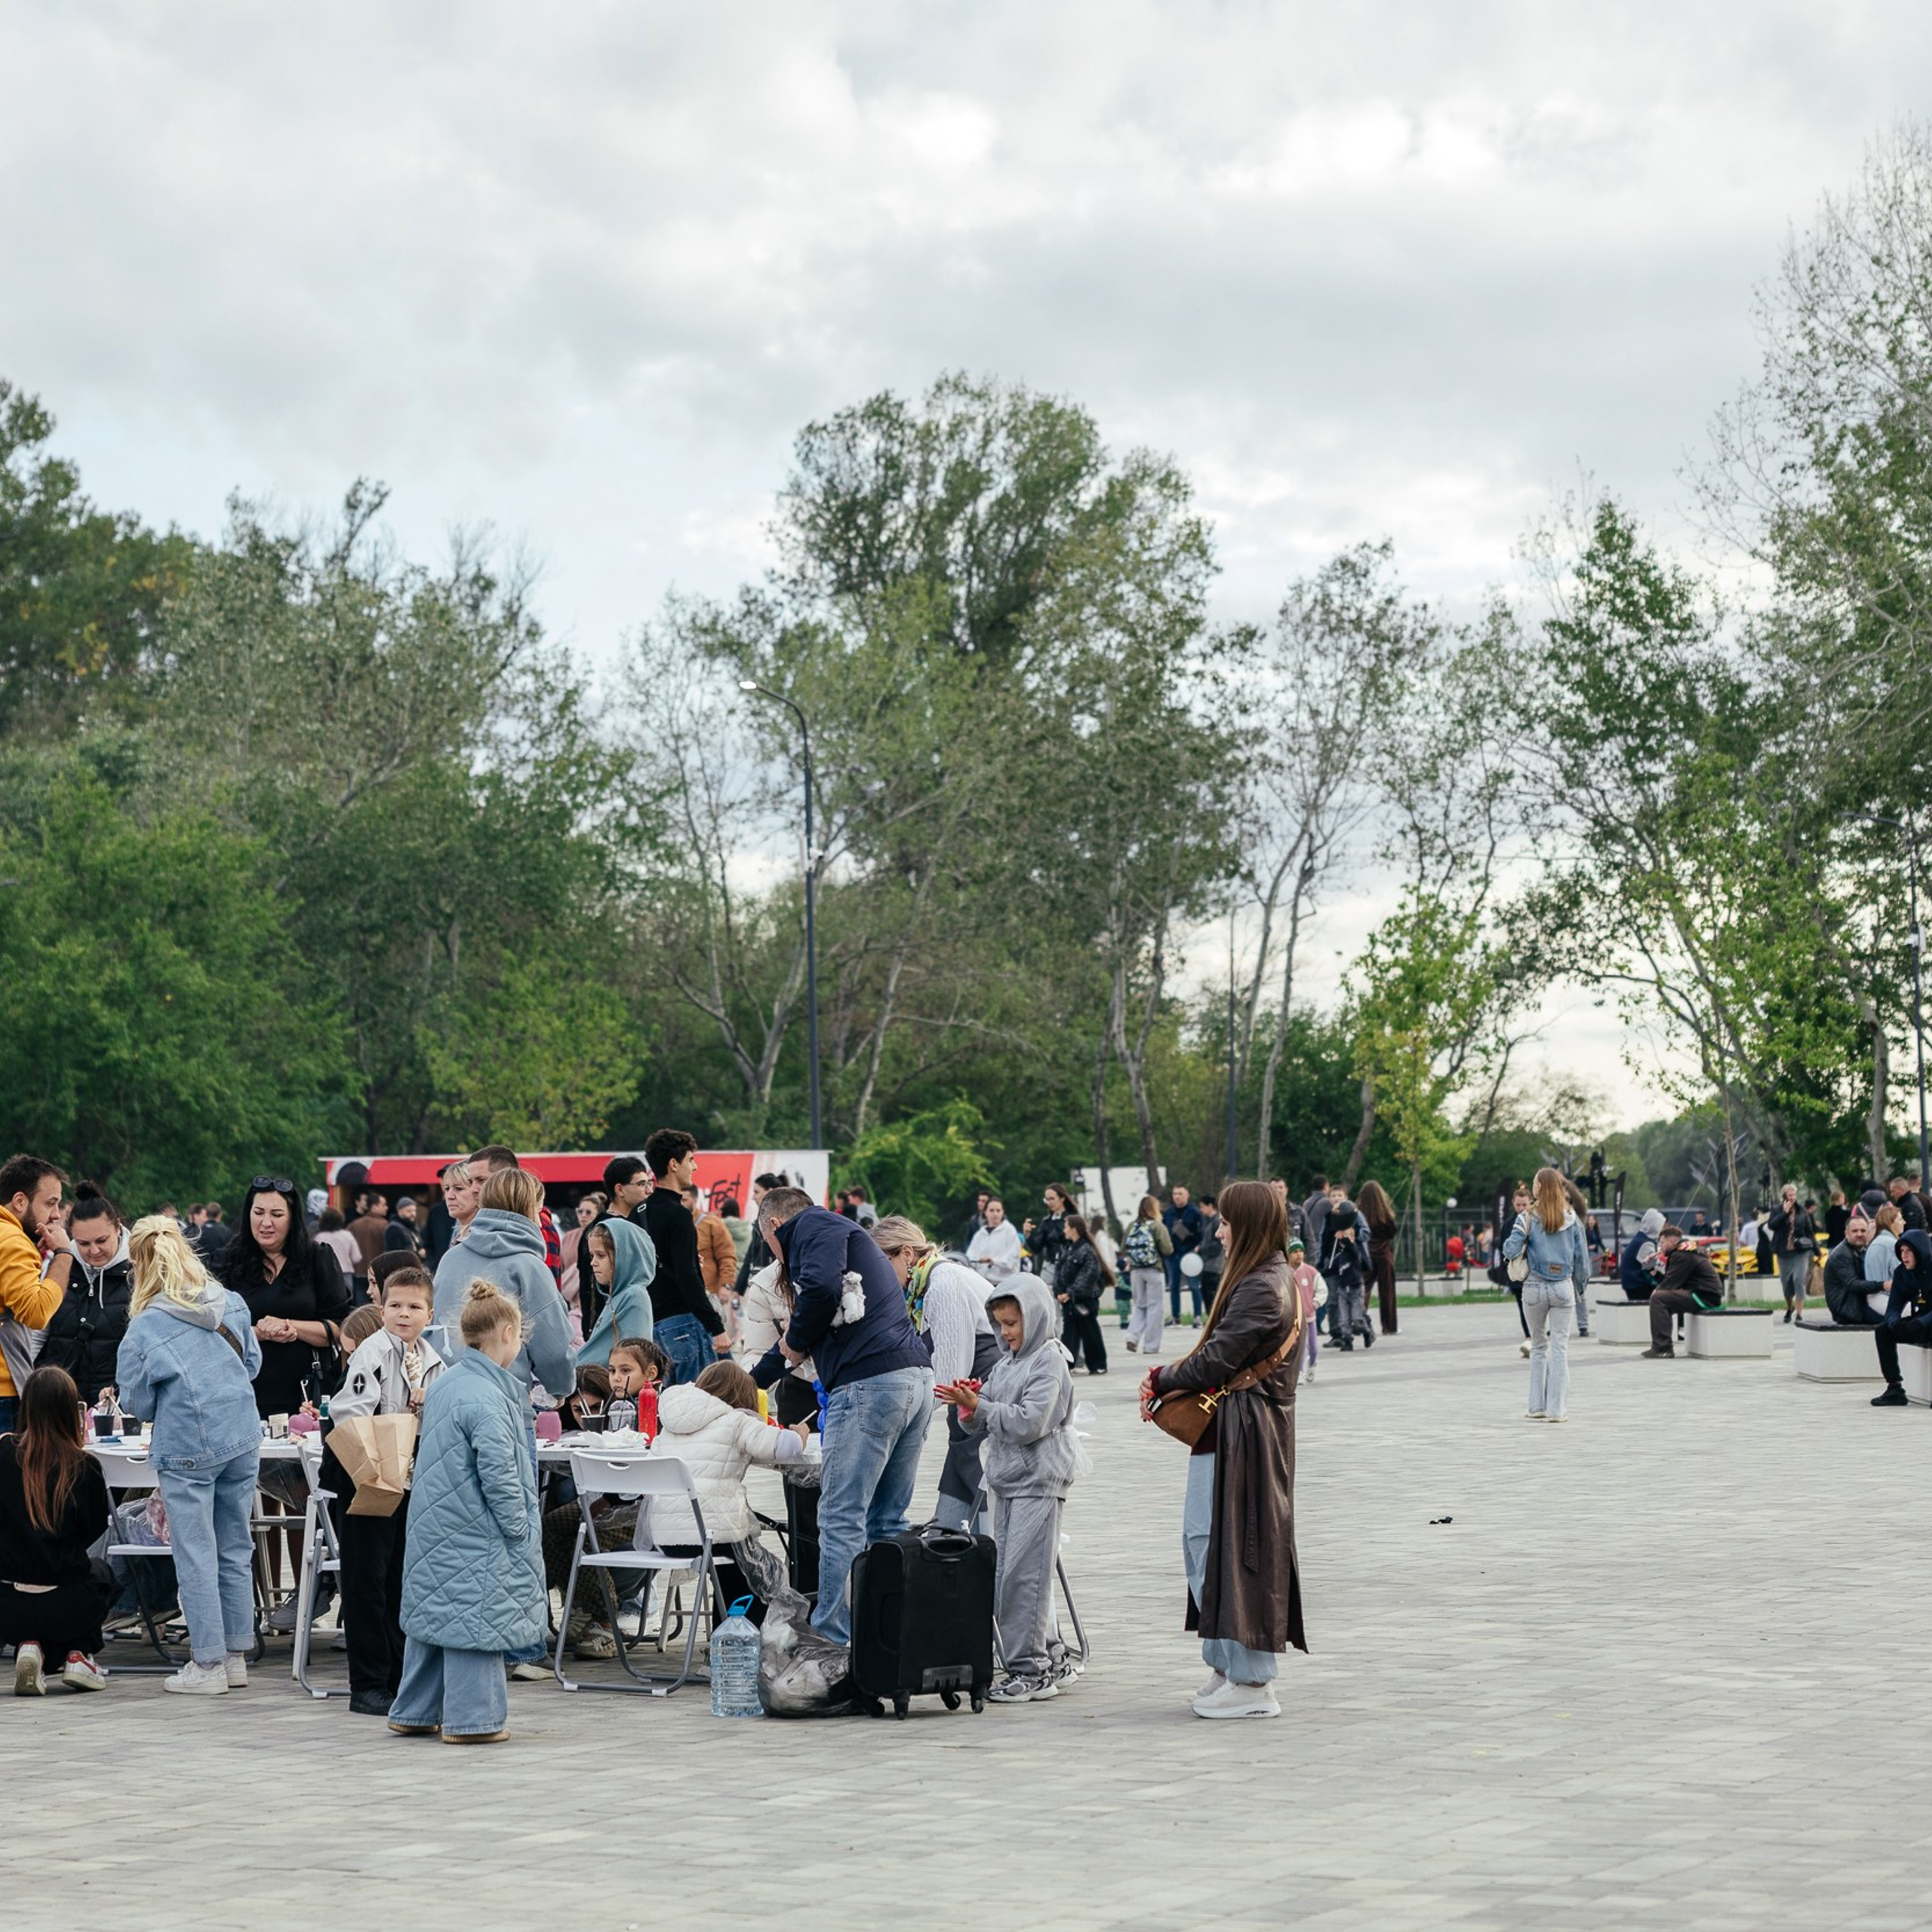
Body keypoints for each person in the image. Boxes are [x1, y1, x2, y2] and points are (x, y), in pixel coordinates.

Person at [1142, 1179, 1305, 1720]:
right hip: (1235, 1432)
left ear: (1250, 1225)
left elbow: (1216, 1360)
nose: (1218, 1232)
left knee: (1234, 1550)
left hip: (1246, 1437)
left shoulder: (1263, 1286)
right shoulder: (1267, 1277)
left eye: (1227, 1223)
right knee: (1209, 1546)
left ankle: (1253, 1681)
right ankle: (1226, 1665)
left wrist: (1161, 1377)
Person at [746, 1186, 934, 1647]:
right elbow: (798, 1338)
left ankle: (833, 1643)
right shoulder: (840, 1235)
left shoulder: (811, 1225)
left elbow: (821, 1293)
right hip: (913, 1380)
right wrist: (752, 1383)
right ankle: (892, 1639)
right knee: (887, 1521)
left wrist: (794, 1341)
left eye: (769, 1244)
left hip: (870, 1386)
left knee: (839, 1517)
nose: (776, 1257)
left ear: (775, 1226)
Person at [389, 1281, 544, 1744]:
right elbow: (499, 1474)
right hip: (477, 1529)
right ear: (509, 1333)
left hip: (436, 1524)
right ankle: (475, 1719)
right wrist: (519, 1527)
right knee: (477, 1618)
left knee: (436, 1614)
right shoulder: (488, 1395)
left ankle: (415, 1711)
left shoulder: (446, 1384)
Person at [115, 1214, 263, 1695]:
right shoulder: (230, 1302)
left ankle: (208, 1663)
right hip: (242, 1433)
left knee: (195, 1555)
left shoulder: (145, 1327)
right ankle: (236, 1656)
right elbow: (252, 1365)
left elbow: (137, 1403)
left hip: (187, 1448)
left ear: (139, 1264)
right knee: (234, 1547)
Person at [940, 1274, 1078, 1702]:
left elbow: (1030, 1422)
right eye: (1000, 1324)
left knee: (1024, 1576)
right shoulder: (1006, 1364)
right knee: (1011, 1574)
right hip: (1009, 1479)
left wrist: (981, 1407)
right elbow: (985, 1417)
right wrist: (969, 1408)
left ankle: (1031, 1670)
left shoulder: (1049, 1361)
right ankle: (1050, 1655)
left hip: (1038, 1481)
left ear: (1035, 1317)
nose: (1006, 1333)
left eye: (1013, 1323)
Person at [223, 1176, 352, 1614]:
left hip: (304, 1398)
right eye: (258, 1212)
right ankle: (253, 1603)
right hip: (244, 1394)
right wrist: (254, 1332)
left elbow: (342, 1329)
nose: (266, 1222)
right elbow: (215, 1328)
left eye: (277, 1213)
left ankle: (305, 1597)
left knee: (300, 1497)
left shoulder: (316, 1258)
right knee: (249, 1502)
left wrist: (293, 1327)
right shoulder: (229, 1262)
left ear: (293, 1218)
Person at [324, 1264, 447, 1715]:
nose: (403, 1314)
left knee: (398, 1579)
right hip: (368, 1478)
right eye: (395, 1305)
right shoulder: (372, 1352)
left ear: (430, 1314)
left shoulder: (433, 1360)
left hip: (408, 1479)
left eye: (414, 1307)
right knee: (366, 1581)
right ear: (381, 1310)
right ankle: (368, 1683)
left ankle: (398, 1677)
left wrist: (428, 1404)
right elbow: (348, 1412)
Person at [640, 1361, 810, 1620]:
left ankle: (728, 1629)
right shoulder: (736, 1420)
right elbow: (786, 1447)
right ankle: (741, 1633)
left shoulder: (671, 1425)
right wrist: (800, 1434)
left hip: (665, 1539)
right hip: (712, 1537)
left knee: (734, 1566)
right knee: (756, 1571)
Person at [872, 1217, 998, 1531]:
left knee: (987, 1511)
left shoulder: (943, 1283)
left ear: (906, 1253)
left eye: (882, 1264)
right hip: (966, 1408)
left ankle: (994, 1556)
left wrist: (904, 1412)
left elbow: (951, 1375)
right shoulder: (921, 1290)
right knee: (949, 1525)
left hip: (981, 1403)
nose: (879, 1277)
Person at [1, 1363, 112, 1694]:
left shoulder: (3, 1454)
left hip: (6, 1602)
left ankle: (29, 1645)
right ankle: (78, 1654)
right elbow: (93, 1530)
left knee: (50, 1589)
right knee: (102, 1574)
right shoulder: (85, 1466)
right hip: (66, 1599)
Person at [429, 1168, 574, 1407]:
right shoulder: (530, 1267)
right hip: (506, 1401)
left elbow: (434, 1327)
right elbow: (554, 1350)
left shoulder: (450, 1258)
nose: (540, 1220)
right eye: (538, 1211)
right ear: (529, 1210)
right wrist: (560, 1388)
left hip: (446, 1397)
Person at [636, 1131, 731, 1386]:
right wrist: (716, 1326)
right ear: (673, 1164)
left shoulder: (639, 1212)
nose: (695, 1167)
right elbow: (688, 1276)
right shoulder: (678, 1215)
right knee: (697, 1399)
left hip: (651, 1324)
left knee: (667, 1402)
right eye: (690, 1159)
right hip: (683, 1323)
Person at [1502, 1168, 1588, 1421]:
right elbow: (1582, 1259)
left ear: (1539, 1187)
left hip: (1534, 1288)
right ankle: (1557, 1410)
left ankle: (1536, 1407)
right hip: (1563, 1287)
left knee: (1538, 1346)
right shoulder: (1571, 1217)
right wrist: (1579, 1288)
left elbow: (1510, 1249)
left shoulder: (1527, 1217)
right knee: (1560, 1348)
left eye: (1534, 1183)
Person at [0, 1155, 75, 1431]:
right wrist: (64, 1254)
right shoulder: (12, 1241)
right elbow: (36, 1313)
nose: (56, 1215)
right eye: (50, 1203)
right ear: (20, 1201)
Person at [38, 1183, 131, 1404]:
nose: (94, 1251)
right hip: (58, 1400)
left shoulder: (138, 1272)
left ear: (117, 1227)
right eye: (83, 1244)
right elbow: (37, 1333)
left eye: (101, 1241)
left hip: (114, 1404)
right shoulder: (59, 1264)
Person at [575, 1217, 658, 1368]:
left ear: (624, 1257)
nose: (593, 1262)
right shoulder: (617, 1296)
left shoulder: (634, 1296)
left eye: (601, 1255)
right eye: (592, 1255)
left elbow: (635, 1360)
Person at [1639, 1226, 1725, 1358]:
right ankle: (1661, 1346)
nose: (1660, 1247)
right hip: (1703, 1293)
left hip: (1703, 1296)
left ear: (1672, 1242)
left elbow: (1670, 1284)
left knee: (1658, 1299)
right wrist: (1652, 1270)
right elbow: (1671, 1280)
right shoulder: (1683, 1251)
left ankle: (1663, 1348)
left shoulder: (1681, 1254)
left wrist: (1656, 1292)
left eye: (1662, 1243)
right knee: (1660, 1297)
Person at [1869, 1229, 1932, 1407]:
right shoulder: (1902, 1273)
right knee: (1883, 1331)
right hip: (1920, 1321)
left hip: (1926, 1322)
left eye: (1908, 1251)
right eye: (1901, 1251)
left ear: (1920, 1251)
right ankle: (1894, 1388)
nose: (1904, 1256)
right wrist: (1895, 1323)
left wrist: (1922, 1322)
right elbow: (1894, 1307)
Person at [1054, 1214, 1111, 1375]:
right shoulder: (1068, 1249)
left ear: (1074, 1229)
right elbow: (1060, 1272)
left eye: (1066, 1227)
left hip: (1085, 1301)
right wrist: (1060, 1292)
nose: (1064, 1230)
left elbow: (1088, 1276)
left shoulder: (1087, 1251)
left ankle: (1098, 1365)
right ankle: (1066, 1366)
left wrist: (1070, 1293)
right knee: (1069, 1334)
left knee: (1090, 1333)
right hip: (1069, 1301)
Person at [1319, 1193, 1375, 1350]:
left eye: (1340, 1196)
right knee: (1338, 1308)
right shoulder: (1329, 1218)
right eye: (1333, 1196)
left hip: (1355, 1283)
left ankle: (1367, 1330)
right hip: (1342, 1283)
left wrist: (1347, 1237)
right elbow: (1323, 1241)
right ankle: (1344, 1338)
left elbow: (1359, 1240)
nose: (1337, 1199)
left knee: (1357, 1315)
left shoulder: (1354, 1215)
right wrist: (1320, 1268)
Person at [686, 1183, 740, 1343]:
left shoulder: (712, 1224)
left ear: (694, 1199)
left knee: (716, 1342)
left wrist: (726, 1285)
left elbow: (727, 1257)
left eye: (684, 1199)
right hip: (684, 1296)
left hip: (709, 1294)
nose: (680, 1203)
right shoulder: (672, 1223)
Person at [1121, 1195, 1172, 1356]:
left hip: (1136, 1271)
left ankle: (1132, 1337)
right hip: (1154, 1271)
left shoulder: (1132, 1226)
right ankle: (1151, 1346)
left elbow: (1123, 1248)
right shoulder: (1157, 1225)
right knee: (1155, 1308)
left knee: (1139, 1305)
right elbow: (1167, 1249)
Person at [1766, 1183, 1817, 1324]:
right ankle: (1790, 1308)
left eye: (1794, 1195)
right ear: (1784, 1196)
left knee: (1799, 1280)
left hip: (1800, 1252)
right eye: (1789, 1195)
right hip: (1783, 1252)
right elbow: (1771, 1225)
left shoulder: (1802, 1210)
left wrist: (1817, 1251)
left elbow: (1809, 1231)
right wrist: (1784, 1213)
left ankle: (1799, 1314)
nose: (1792, 1198)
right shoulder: (1776, 1210)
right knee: (1786, 1283)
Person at [1823, 1211, 1883, 1327]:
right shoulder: (1841, 1254)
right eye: (1855, 1231)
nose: (1859, 1234)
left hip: (1859, 1304)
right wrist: (1883, 1285)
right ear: (1846, 1233)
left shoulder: (1861, 1249)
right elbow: (1853, 1284)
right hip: (1848, 1310)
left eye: (1863, 1231)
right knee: (1892, 1320)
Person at [1356, 1179, 1399, 1337]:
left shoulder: (1358, 1213)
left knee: (1363, 1289)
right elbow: (1392, 1232)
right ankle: (1389, 1326)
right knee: (1387, 1291)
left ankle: (1358, 1320)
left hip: (1366, 1254)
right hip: (1384, 1255)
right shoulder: (1385, 1213)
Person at [560, 1191, 606, 1330]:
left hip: (592, 1297)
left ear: (598, 1214)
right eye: (580, 1211)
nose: (583, 1215)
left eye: (588, 1212)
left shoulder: (603, 1237)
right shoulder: (568, 1237)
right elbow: (562, 1266)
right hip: (569, 1298)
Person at [1163, 1184, 1205, 1322]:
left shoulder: (1195, 1212)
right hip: (1172, 1254)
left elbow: (1202, 1232)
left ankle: (1197, 1316)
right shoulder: (1168, 1213)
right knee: (1174, 1286)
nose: (1177, 1197)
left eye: (1180, 1194)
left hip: (1189, 1254)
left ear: (1187, 1195)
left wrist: (1198, 1247)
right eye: (1175, 1194)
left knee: (1194, 1286)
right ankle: (1176, 1316)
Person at [1024, 1183, 1075, 1287]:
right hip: (1049, 1266)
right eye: (1047, 1200)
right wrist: (1028, 1235)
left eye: (1052, 1199)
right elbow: (1036, 1248)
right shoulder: (1046, 1222)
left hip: (1068, 1267)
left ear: (1062, 1199)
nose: (1049, 1203)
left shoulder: (1073, 1219)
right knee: (1044, 1294)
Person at [1287, 1236, 1320, 1384]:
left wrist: (1315, 1303)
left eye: (1301, 1251)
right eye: (1295, 1252)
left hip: (1309, 1317)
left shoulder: (1310, 1272)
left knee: (1313, 1347)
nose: (1299, 1254)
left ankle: (1312, 1365)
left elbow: (1322, 1289)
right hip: (1295, 1319)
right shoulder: (1285, 1273)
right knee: (1301, 1346)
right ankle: (1299, 1372)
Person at [967, 1198, 1023, 1281]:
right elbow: (970, 1256)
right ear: (985, 1212)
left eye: (998, 1210)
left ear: (1003, 1212)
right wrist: (979, 1260)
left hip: (1004, 1282)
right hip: (983, 1282)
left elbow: (1012, 1259)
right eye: (992, 1210)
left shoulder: (1010, 1231)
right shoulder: (980, 1234)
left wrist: (993, 1261)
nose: (995, 1214)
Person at [314, 1208, 364, 1297]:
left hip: (326, 1275)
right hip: (345, 1274)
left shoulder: (319, 1237)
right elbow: (357, 1257)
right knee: (348, 1300)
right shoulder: (347, 1235)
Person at [1620, 1209, 1666, 1301]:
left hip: (1633, 1284)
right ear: (1655, 1226)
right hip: (1638, 1286)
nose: (1662, 1230)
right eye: (1661, 1226)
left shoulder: (1641, 1238)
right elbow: (1655, 1266)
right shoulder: (1645, 1244)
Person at [438, 1160, 482, 1254]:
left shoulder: (484, 1235)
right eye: (447, 1189)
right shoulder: (459, 1231)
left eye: (459, 1189)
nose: (449, 1196)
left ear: (477, 1191)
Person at [1196, 1195, 1226, 1315]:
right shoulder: (1206, 1221)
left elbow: (1218, 1245)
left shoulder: (1217, 1222)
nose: (1201, 1209)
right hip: (1206, 1264)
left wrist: (1201, 1249)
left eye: (1202, 1206)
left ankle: (1215, 1318)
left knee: (1211, 1295)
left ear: (1210, 1206)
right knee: (1206, 1294)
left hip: (1214, 1265)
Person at [1867, 1202, 1903, 1298]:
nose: (1904, 1222)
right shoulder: (1892, 1244)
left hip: (1873, 1296)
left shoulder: (1876, 1241)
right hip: (1887, 1296)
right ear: (1891, 1223)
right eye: (1900, 1220)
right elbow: (1901, 1276)